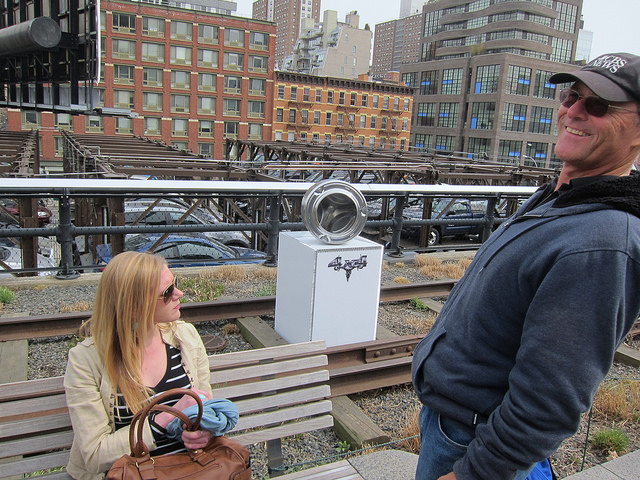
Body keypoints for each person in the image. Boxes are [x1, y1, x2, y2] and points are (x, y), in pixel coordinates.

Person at [412, 52, 640, 480]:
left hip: (471, 443)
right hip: (454, 425)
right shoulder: (564, 198)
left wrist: (474, 474)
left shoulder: (603, 242)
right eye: (572, 96)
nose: (573, 111)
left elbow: (551, 398)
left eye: (598, 106)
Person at [64, 251, 214, 479]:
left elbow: (207, 411)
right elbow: (94, 454)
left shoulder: (186, 338)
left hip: (190, 469)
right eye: (167, 292)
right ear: (135, 306)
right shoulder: (85, 361)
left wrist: (205, 433)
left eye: (175, 283)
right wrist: (163, 419)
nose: (179, 294)